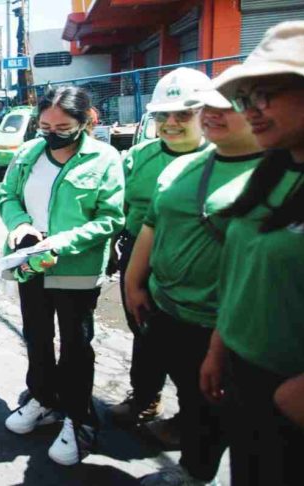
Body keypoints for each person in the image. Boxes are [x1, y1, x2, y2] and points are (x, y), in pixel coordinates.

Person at [125, 86, 263, 486]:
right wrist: (135, 283)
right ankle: (193, 471)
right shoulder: (181, 167)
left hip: (226, 324)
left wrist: (223, 337)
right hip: (167, 309)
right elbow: (153, 221)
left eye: (229, 107)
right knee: (194, 398)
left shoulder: (278, 173)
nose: (214, 114)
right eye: (210, 106)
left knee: (234, 417)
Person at [199, 21, 304, 486]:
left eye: (265, 94)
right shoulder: (275, 172)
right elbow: (244, 277)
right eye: (246, 100)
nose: (251, 111)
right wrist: (220, 349)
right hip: (246, 376)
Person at [0, 86, 124, 466]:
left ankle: (77, 417)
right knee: (37, 336)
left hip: (76, 271)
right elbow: (7, 197)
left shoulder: (105, 159)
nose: (52, 133)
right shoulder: (28, 154)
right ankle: (42, 399)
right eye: (45, 125)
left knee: (75, 345)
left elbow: (112, 218)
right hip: (30, 264)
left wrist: (63, 242)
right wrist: (19, 226)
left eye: (63, 126)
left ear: (87, 122)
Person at [109, 68, 213, 444]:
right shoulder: (137, 158)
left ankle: (192, 421)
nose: (171, 123)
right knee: (144, 333)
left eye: (184, 114)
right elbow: (115, 210)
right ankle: (145, 398)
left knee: (192, 354)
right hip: (135, 258)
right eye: (162, 115)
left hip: (194, 271)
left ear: (205, 113)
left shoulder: (223, 161)